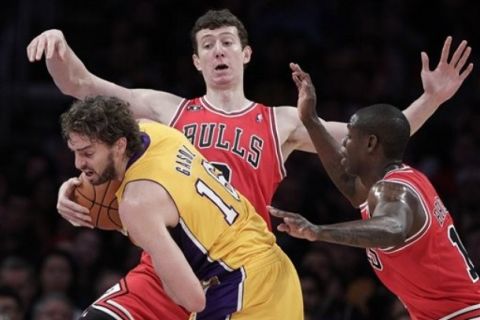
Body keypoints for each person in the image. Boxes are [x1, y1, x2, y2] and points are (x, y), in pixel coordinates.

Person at [26, 9, 473, 319]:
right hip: (170, 261)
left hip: (240, 270)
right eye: (208, 44)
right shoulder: (166, 110)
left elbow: (379, 144)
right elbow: (82, 87)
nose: (218, 50)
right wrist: (57, 45)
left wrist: (431, 99)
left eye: (227, 42)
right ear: (197, 61)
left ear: (246, 54)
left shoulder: (281, 122)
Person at [61, 95, 303, 319]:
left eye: (87, 153)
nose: (78, 163)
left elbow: (192, 298)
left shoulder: (136, 203)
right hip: (274, 267)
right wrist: (73, 188)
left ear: (120, 145)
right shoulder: (155, 131)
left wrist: (142, 233)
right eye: (75, 153)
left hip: (243, 290)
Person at [269, 64, 480, 319]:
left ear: (370, 143)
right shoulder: (392, 183)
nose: (344, 143)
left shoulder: (394, 190)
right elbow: (348, 183)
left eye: (350, 137)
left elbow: (393, 228)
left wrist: (318, 231)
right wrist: (311, 120)